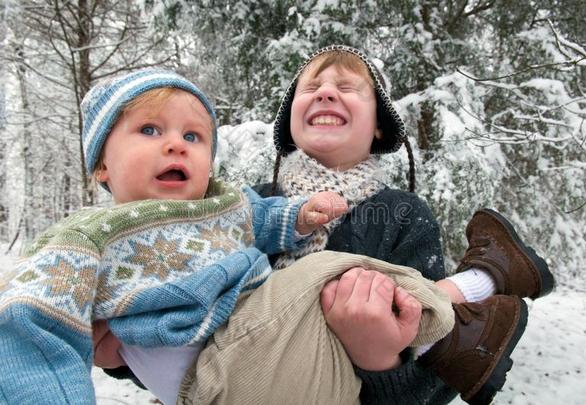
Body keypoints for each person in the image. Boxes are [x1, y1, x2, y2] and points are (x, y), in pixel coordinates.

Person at [0, 68, 354, 404]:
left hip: (273, 338)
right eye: (150, 130)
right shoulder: (89, 236)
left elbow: (259, 219)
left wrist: (300, 215)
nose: (176, 145)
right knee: (335, 270)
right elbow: (30, 320)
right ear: (102, 165)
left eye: (192, 136)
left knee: (354, 278)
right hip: (207, 368)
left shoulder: (223, 205)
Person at [251, 44, 555, 404]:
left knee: (402, 307)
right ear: (289, 119)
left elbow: (427, 387)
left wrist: (377, 354)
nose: (327, 92)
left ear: (378, 126)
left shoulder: (402, 214)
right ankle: (486, 278)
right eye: (311, 88)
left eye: (347, 88)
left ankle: (479, 287)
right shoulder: (255, 205)